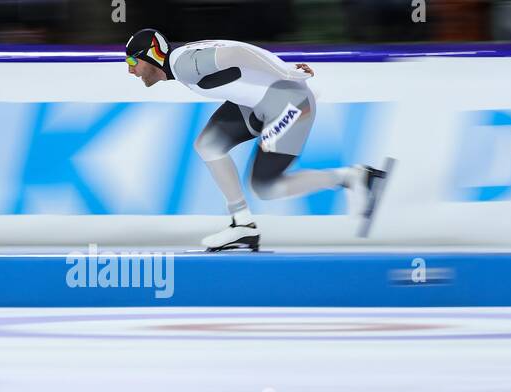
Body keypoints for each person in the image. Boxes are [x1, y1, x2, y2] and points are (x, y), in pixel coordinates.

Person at [125, 28, 392, 251]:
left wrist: (285, 72)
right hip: (258, 102)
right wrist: (283, 69)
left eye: (132, 63)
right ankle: (242, 224)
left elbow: (236, 53)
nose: (130, 72)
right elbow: (237, 51)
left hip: (290, 104)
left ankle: (354, 177)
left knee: (266, 187)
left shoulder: (183, 64)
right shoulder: (180, 61)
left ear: (151, 56)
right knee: (208, 144)